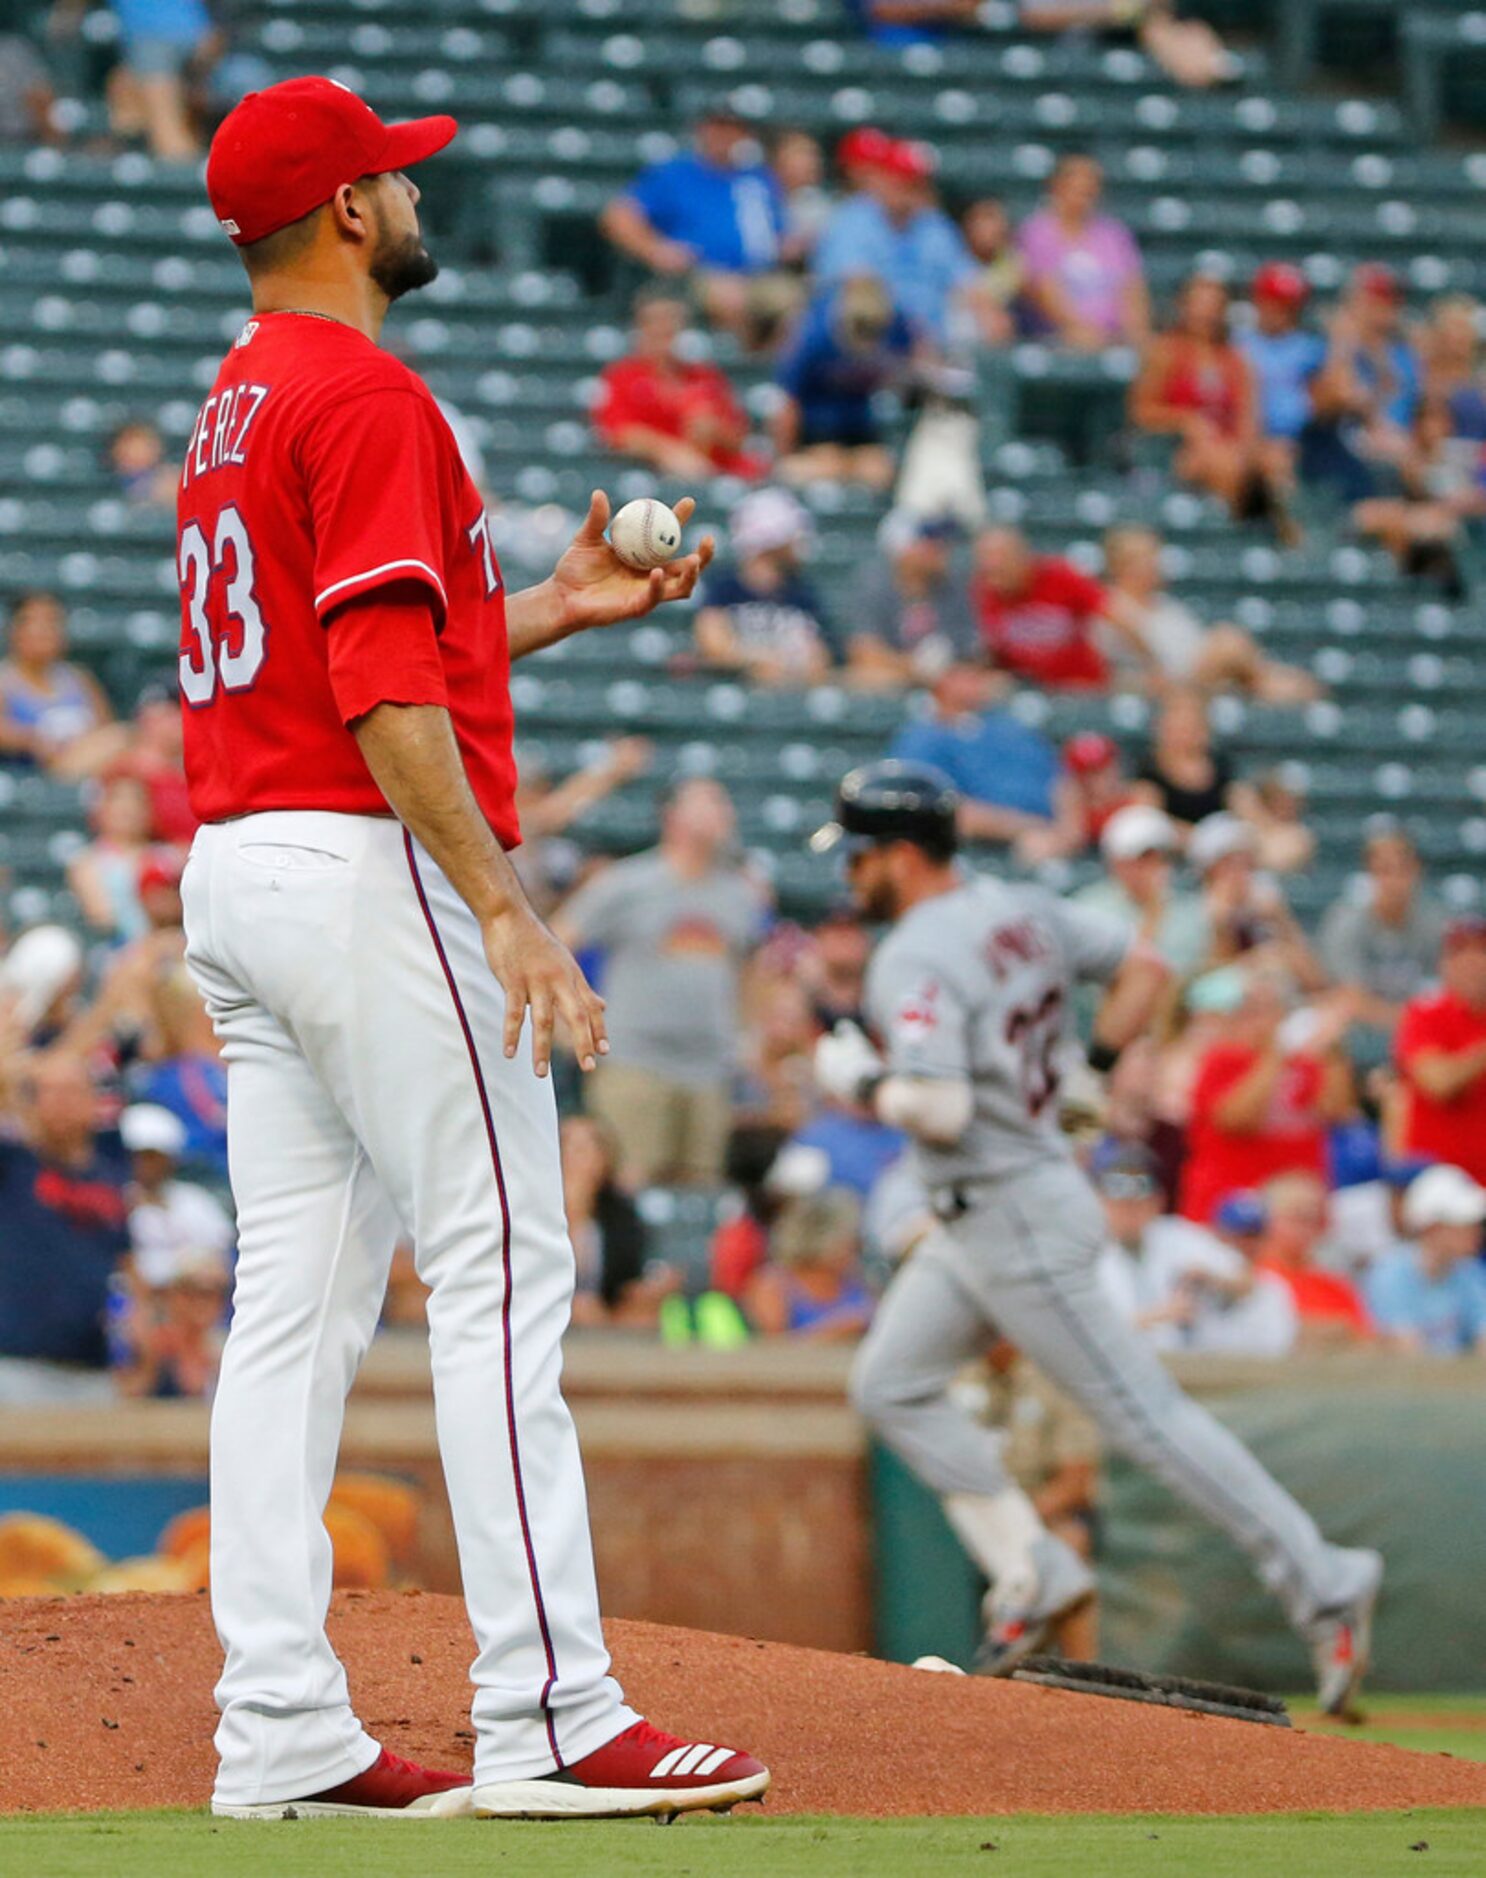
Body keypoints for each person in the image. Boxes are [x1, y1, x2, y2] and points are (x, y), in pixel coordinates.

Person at [180, 79, 767, 1822]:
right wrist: (506, 905)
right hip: (362, 868)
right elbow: (372, 692)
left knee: (291, 1312)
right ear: (349, 212)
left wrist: (560, 606)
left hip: (242, 867)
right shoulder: (365, 390)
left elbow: (367, 658)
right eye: (396, 174)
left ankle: (279, 1717)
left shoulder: (242, 396)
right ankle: (553, 1710)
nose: (416, 193)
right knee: (505, 1263)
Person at [808, 759, 1380, 1712]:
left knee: (1150, 1420)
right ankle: (1037, 1568)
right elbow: (1148, 966)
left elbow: (939, 1107)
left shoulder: (912, 951)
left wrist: (856, 1082)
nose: (851, 877)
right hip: (986, 1209)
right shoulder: (1018, 906)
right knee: (891, 1383)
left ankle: (1324, 1583)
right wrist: (1096, 1065)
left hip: (1012, 1209)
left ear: (901, 856)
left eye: (860, 857)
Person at [556, 778, 766, 1188]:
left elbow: (752, 970)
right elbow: (558, 940)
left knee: (702, 1196)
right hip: (635, 1064)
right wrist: (571, 1028)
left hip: (709, 1070)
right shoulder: (628, 883)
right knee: (631, 1186)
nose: (723, 813)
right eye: (709, 802)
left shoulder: (740, 894)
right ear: (673, 816)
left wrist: (748, 1037)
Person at [0, 1052, 129, 1405]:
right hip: (17, 1365)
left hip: (92, 1369)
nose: (60, 1102)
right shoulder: (13, 1164)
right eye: (48, 1091)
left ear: (93, 1101)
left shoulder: (111, 1176)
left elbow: (126, 1261)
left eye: (71, 1091)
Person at [598, 105, 790, 340]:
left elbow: (778, 234)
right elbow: (618, 216)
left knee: (798, 303)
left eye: (732, 128)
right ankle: (735, 369)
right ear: (702, 131)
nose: (723, 135)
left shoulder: (756, 179)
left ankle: (775, 371)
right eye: (717, 127)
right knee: (731, 298)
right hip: (696, 275)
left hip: (759, 274)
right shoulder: (677, 173)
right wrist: (654, 249)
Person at [1179, 973, 1353, 1223]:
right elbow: (1236, 1120)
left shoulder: (1307, 1062)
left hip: (1297, 1215)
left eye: (1267, 1010)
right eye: (1250, 1011)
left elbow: (1336, 1112)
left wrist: (1333, 1051)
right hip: (1229, 1212)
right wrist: (1275, 1056)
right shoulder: (1221, 1060)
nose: (1259, 1021)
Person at [1131, 275, 1296, 536]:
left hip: (1230, 447)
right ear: (1183, 307)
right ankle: (1234, 538)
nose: (1205, 314)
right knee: (1222, 462)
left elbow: (1248, 419)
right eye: (1199, 305)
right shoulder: (1165, 351)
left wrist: (1245, 447)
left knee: (1277, 459)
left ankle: (1289, 540)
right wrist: (1185, 420)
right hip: (1182, 452)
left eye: (1213, 306)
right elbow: (1141, 412)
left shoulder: (1236, 360)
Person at [1095, 1147, 1297, 1358]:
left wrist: (1214, 1280)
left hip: (1185, 1365)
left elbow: (1249, 1283)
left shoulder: (1179, 1236)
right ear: (1100, 1200)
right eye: (1118, 1198)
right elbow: (1085, 1331)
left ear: (1158, 1200)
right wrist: (1158, 1316)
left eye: (1139, 1197)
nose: (1129, 1208)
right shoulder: (1081, 1250)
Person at [812, 137, 997, 350]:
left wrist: (989, 313)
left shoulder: (933, 226)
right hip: (871, 340)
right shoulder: (853, 220)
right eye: (901, 181)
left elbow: (968, 282)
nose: (908, 191)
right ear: (882, 178)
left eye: (915, 184)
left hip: (933, 341)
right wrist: (907, 333)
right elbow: (855, 285)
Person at [1100, 524, 1317, 701]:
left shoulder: (1165, 604)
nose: (1157, 564)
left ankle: (1265, 684)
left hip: (1204, 680)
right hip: (1170, 685)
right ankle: (1264, 682)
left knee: (1300, 686)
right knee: (1229, 641)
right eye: (1147, 558)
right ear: (1123, 565)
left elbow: (1196, 643)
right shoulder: (1114, 605)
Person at [591, 289, 763, 483]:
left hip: (721, 474)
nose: (664, 328)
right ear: (640, 327)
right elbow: (617, 434)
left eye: (672, 319)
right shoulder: (622, 376)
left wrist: (713, 429)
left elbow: (738, 438)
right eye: (655, 320)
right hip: (655, 478)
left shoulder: (705, 376)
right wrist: (668, 451)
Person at [888, 663, 1060, 847]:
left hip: (1049, 842)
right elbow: (936, 809)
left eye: (978, 673)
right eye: (964, 674)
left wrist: (1064, 836)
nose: (975, 682)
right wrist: (1031, 829)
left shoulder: (1011, 727)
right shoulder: (922, 737)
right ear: (941, 681)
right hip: (979, 849)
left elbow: (1063, 782)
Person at [771, 276, 913, 491]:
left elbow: (918, 361)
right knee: (827, 466)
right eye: (861, 327)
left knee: (879, 472)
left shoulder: (896, 329)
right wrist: (784, 457)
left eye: (873, 329)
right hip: (817, 433)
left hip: (863, 430)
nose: (868, 337)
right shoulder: (814, 336)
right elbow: (789, 404)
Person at [972, 524, 1156, 690]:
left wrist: (1150, 662)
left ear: (1021, 555)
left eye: (1000, 557)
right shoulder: (982, 591)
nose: (992, 565)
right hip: (1025, 689)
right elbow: (986, 651)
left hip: (1079, 685)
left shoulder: (1059, 575)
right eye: (986, 559)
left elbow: (1116, 614)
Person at [693, 488, 839, 685]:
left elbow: (820, 660)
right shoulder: (724, 587)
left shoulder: (802, 593)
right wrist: (758, 660)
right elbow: (713, 645)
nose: (797, 544)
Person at [1303, 264, 1422, 503]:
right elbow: (1331, 399)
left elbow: (1395, 398)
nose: (1382, 310)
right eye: (1373, 302)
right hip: (1339, 445)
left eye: (1389, 302)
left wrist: (1375, 351)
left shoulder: (1403, 355)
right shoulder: (1328, 348)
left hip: (1394, 446)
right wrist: (1343, 343)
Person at [1320, 830, 1448, 1040]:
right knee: (1329, 1021)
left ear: (1417, 871)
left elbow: (1447, 991)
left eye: (1403, 870)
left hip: (1419, 1024)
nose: (1395, 881)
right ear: (1370, 874)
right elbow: (1351, 998)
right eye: (1385, 871)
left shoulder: (1434, 922)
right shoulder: (1347, 921)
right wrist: (1413, 1021)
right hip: (1359, 1024)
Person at [1016, 154, 1149, 353]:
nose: (1085, 190)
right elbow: (1044, 293)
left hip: (1113, 337)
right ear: (1056, 185)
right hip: (1056, 337)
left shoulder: (1114, 234)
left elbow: (1132, 289)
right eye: (1077, 183)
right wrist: (1085, 331)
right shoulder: (1037, 232)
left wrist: (1136, 333)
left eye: (1091, 184)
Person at [560, 1115, 677, 1330]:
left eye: (590, 1148)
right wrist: (575, 1211)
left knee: (645, 1316)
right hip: (551, 1307)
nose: (579, 1158)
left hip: (607, 1312)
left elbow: (630, 1275)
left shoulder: (620, 1212)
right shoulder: (533, 1209)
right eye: (570, 1147)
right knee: (581, 1307)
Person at [1395, 917, 1486, 1185]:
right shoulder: (1425, 1013)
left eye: (1481, 951)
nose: (1472, 962)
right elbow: (1439, 1082)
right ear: (1443, 964)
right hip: (1439, 1179)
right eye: (1460, 953)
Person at [0, 592, 126, 779]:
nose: (46, 630)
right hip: (32, 773)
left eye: (53, 621)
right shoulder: (5, 680)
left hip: (88, 766)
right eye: (35, 622)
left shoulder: (79, 678)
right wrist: (33, 741)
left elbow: (106, 729)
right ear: (14, 630)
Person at [845, 515, 980, 689]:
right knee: (868, 678)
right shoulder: (875, 586)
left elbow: (976, 652)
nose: (940, 548)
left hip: (950, 681)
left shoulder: (955, 586)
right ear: (901, 549)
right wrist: (916, 666)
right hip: (898, 677)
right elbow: (863, 651)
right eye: (928, 542)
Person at [1074, 803, 1207, 976]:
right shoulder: (1091, 908)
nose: (1154, 868)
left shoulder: (1188, 907)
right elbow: (1128, 977)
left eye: (1161, 859)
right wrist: (1154, 913)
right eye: (1143, 859)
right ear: (1117, 864)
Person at [1366, 1165, 1486, 1355]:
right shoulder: (1391, 1274)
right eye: (1464, 1224)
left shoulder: (1469, 1272)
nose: (1476, 1232)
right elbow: (1407, 1353)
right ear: (1432, 1228)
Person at [745, 1188, 875, 1340]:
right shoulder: (774, 1284)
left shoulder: (856, 1282)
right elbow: (772, 1350)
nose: (856, 1251)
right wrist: (835, 1331)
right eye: (852, 1244)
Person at [1256, 1174, 1370, 1343]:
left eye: (1314, 1219)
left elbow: (1364, 1337)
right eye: (1297, 1218)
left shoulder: (1334, 1283)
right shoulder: (1254, 1278)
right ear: (1265, 1221)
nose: (1306, 1228)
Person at [1239, 263, 1325, 478]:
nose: (1280, 312)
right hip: (1250, 437)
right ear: (1259, 301)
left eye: (1288, 306)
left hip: (1304, 440)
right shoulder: (1239, 343)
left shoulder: (1309, 347)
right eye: (1273, 303)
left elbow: (1328, 395)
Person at [1018, 0, 1231, 87]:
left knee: (1187, 29)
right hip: (1074, 42)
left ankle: (1208, 78)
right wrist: (1110, 14)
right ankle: (1200, 80)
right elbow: (1034, 17)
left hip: (1131, 34)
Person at [106, 0, 214, 162]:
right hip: (197, 31)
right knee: (124, 97)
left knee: (166, 130)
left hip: (154, 33)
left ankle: (183, 179)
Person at [66, 774, 158, 943]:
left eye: (136, 802)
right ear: (102, 810)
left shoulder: (167, 857)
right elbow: (103, 919)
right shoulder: (86, 861)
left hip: (170, 945)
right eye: (119, 800)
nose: (128, 808)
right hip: (117, 947)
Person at [1131, 687, 1234, 831]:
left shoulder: (1221, 764)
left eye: (1193, 724)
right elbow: (1148, 816)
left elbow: (1240, 803)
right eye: (1180, 725)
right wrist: (1198, 838)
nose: (1186, 734)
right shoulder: (1148, 767)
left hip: (1220, 843)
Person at [960, 197, 1023, 346]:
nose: (990, 230)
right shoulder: (954, 260)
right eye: (982, 221)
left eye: (995, 221)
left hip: (1004, 337)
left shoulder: (1013, 262)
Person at [109, 418, 178, 508]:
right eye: (130, 445)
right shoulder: (107, 482)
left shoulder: (170, 480)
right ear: (116, 449)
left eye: (143, 446)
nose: (136, 452)